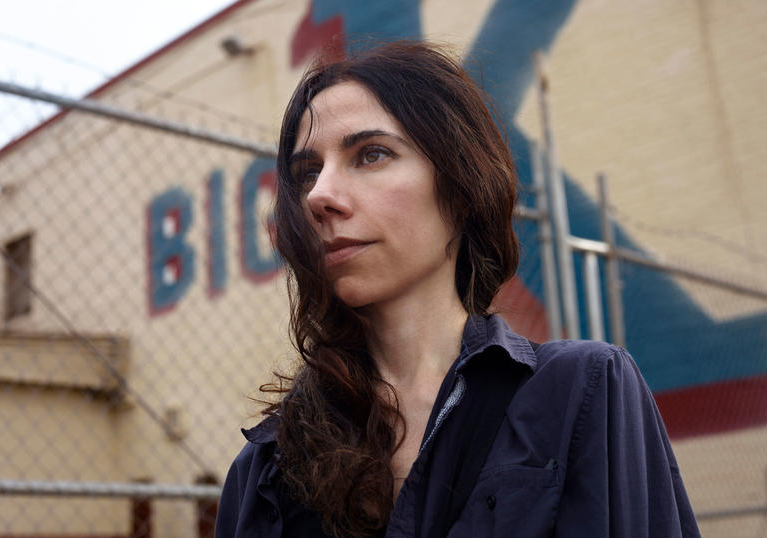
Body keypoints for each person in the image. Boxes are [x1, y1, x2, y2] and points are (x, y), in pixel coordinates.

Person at [215, 41, 700, 538]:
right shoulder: (265, 468)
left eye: (371, 154)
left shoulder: (584, 391)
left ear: (461, 184)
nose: (319, 196)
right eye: (307, 173)